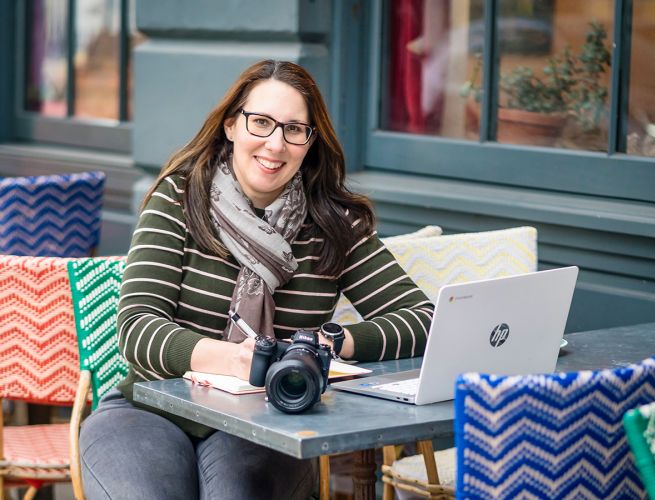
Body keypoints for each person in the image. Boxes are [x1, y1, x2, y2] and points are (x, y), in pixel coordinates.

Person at [79, 59, 434, 500]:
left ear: (310, 142)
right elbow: (136, 327)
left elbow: (424, 319)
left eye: (294, 129)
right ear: (231, 125)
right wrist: (235, 359)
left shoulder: (335, 226)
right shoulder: (179, 198)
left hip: (271, 420)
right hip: (150, 409)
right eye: (261, 122)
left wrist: (328, 343)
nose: (275, 144)